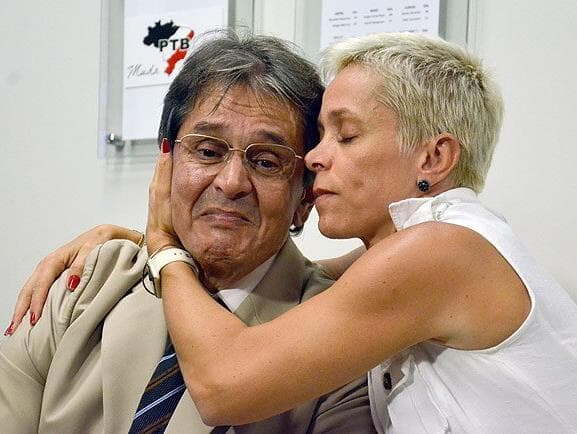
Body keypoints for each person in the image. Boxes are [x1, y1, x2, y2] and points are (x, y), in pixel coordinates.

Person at [9, 32, 577, 432]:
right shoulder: (430, 250)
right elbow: (297, 272)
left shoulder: (441, 252)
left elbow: (224, 385)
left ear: (433, 157)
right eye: (206, 152)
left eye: (345, 136)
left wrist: (161, 243)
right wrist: (134, 242)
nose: (317, 159)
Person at [0, 30, 376, 433]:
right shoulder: (87, 284)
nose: (231, 183)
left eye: (267, 161)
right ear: (165, 165)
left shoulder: (343, 343)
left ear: (305, 196)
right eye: (208, 151)